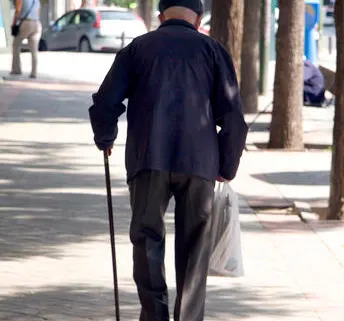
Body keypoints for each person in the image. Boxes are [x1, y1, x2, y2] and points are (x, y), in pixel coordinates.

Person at [88, 0, 248, 320]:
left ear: (160, 16)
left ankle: (154, 314)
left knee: (147, 239)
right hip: (200, 163)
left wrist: (105, 138)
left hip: (148, 158)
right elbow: (233, 118)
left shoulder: (137, 49)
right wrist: (226, 166)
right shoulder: (213, 51)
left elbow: (105, 101)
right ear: (199, 18)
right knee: (194, 247)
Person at [11, 0, 42, 79]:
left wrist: (14, 23)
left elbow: (18, 10)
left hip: (26, 22)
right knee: (34, 50)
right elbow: (38, 12)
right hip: (37, 23)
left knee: (16, 44)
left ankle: (16, 69)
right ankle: (34, 72)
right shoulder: (36, 1)